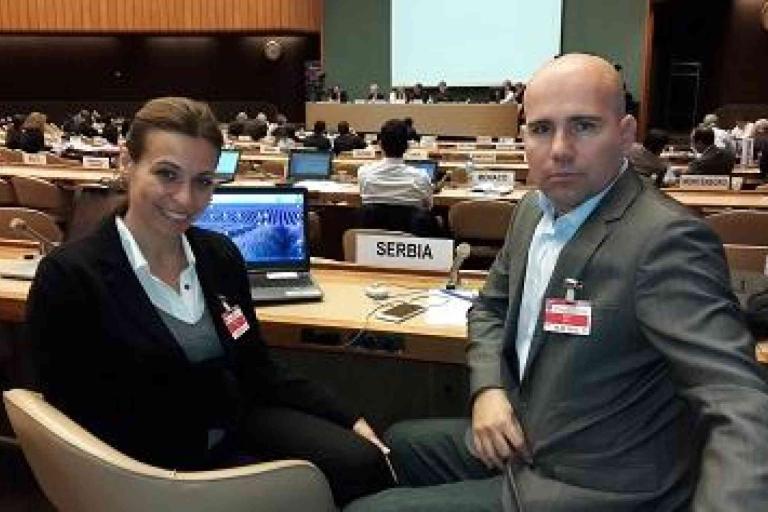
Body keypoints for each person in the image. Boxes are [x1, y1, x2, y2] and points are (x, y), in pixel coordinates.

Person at [346, 53, 768, 512]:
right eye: (542, 129)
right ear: (524, 135)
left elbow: (740, 402)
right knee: (397, 443)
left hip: (595, 486)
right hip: (528, 436)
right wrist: (488, 390)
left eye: (583, 126)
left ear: (626, 135)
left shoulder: (665, 240)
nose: (560, 149)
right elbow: (488, 309)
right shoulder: (532, 210)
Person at [27, 96, 393, 507]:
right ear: (126, 165)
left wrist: (346, 416)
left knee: (363, 463)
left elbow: (257, 365)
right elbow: (68, 420)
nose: (186, 200)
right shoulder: (70, 276)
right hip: (142, 467)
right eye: (167, 174)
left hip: (232, 423)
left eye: (203, 181)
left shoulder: (219, 255)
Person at [357, 119, 437, 236]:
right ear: (407, 146)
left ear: (380, 145)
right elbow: (429, 206)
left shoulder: (364, 173)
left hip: (371, 244)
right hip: (412, 245)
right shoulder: (421, 176)